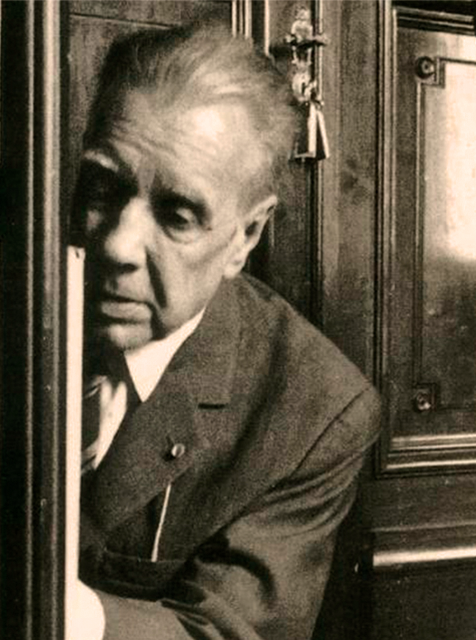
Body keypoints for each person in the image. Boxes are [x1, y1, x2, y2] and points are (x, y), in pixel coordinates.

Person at [74, 23, 381, 639]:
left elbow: (219, 633)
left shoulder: (315, 410)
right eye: (103, 189)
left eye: (177, 214)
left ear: (246, 236)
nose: (116, 245)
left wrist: (51, 614)